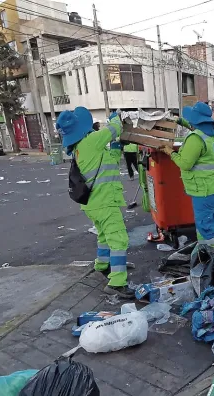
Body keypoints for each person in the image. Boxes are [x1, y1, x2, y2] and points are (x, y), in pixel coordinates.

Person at [57, 107, 133, 298]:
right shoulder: (91, 141)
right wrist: (115, 118)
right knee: (118, 239)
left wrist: (116, 148)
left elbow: (110, 161)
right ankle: (117, 282)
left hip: (93, 203)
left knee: (105, 236)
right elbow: (114, 128)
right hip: (105, 202)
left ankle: (103, 264)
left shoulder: (80, 148)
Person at [161, 102, 214, 249]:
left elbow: (185, 163)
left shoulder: (195, 139)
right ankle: (206, 251)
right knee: (206, 221)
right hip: (212, 186)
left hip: (203, 189)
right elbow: (193, 127)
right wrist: (180, 121)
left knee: (206, 226)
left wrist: (170, 152)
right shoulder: (208, 134)